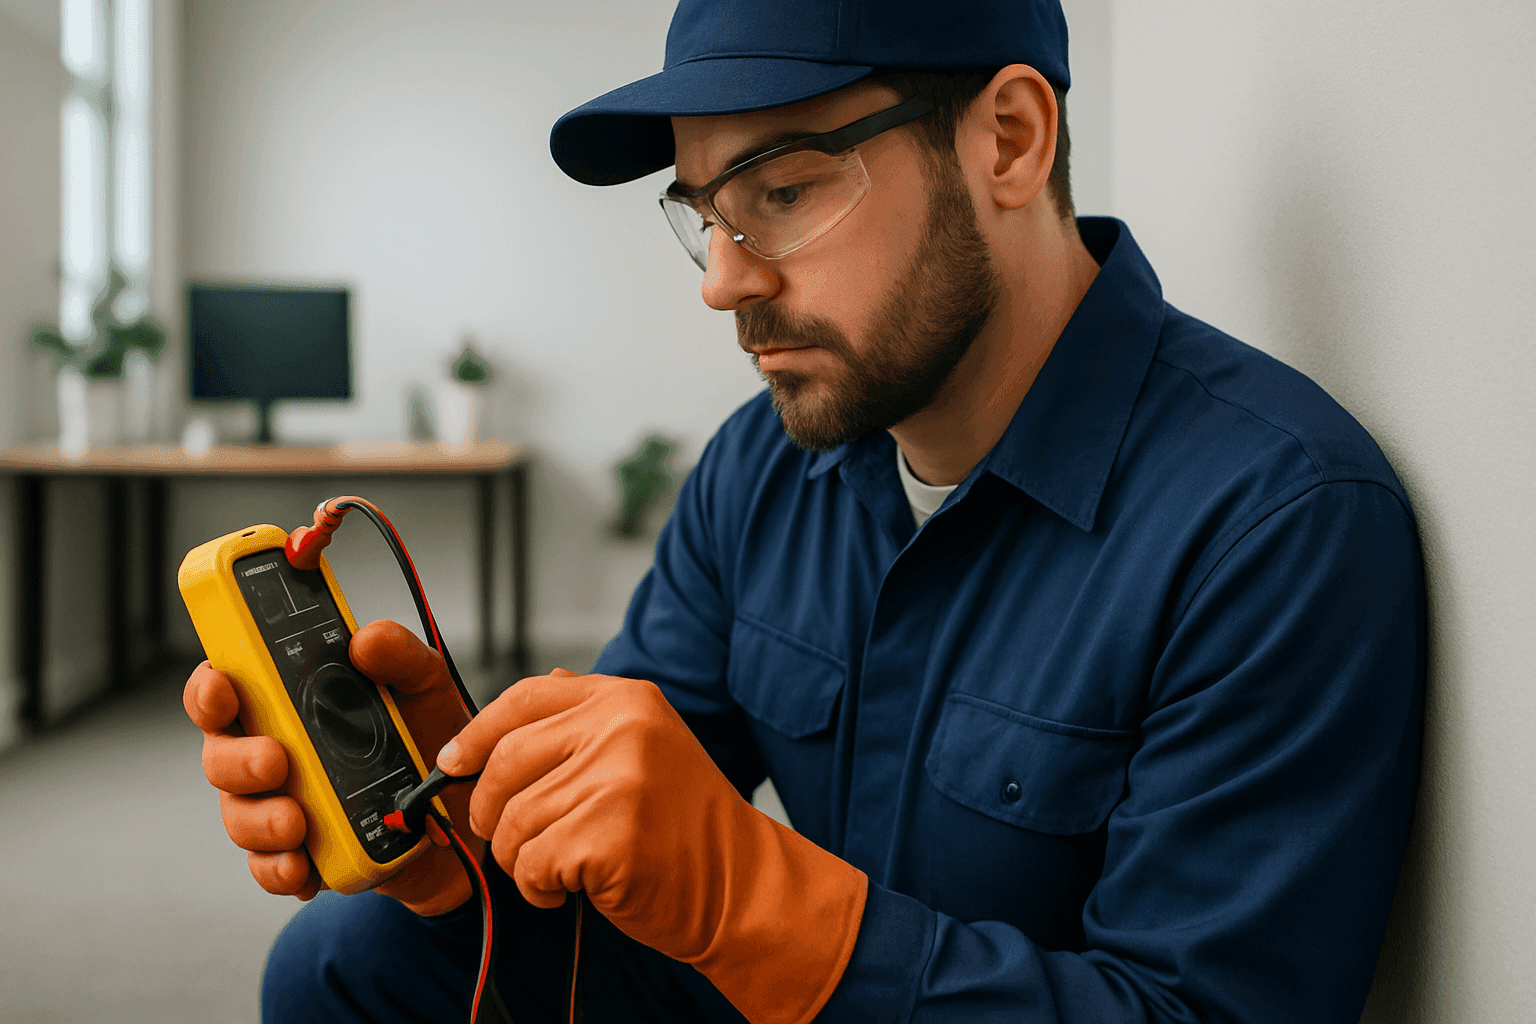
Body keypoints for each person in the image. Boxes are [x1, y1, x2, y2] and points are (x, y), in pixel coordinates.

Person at [183, 0, 1426, 1021]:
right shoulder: (761, 468)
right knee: (350, 956)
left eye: (779, 190)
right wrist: (472, 829)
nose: (724, 280)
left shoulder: (1276, 521)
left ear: (1008, 140)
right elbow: (625, 833)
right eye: (704, 213)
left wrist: (760, 905)